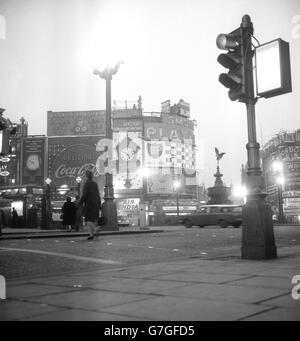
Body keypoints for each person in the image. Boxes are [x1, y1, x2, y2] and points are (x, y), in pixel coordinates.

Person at [79, 170, 101, 240]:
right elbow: (98, 194)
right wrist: (99, 204)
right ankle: (91, 235)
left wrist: (80, 202)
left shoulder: (87, 184)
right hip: (96, 203)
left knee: (88, 220)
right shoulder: (95, 184)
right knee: (93, 220)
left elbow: (85, 194)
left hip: (89, 204)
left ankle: (95, 229)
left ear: (86, 176)